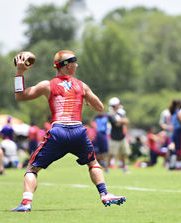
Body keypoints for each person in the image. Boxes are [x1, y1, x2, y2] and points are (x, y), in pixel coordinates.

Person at [11, 50, 126, 212]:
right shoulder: (81, 86)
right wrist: (88, 101)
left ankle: (25, 204)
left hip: (58, 131)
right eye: (75, 62)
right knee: (93, 163)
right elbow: (100, 108)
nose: (77, 65)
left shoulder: (47, 85)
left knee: (32, 169)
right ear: (68, 65)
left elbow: (20, 96)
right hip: (78, 131)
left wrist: (20, 71)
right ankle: (104, 194)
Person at [107, 97, 131, 173]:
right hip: (114, 137)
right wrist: (121, 120)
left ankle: (124, 168)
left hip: (122, 137)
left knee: (123, 153)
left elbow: (127, 121)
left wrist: (120, 120)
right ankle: (107, 168)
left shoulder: (119, 113)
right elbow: (116, 124)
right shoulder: (110, 114)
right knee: (111, 154)